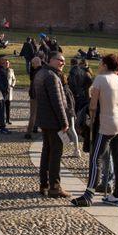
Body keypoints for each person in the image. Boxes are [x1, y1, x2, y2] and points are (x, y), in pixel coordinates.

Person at [72, 53, 118, 207]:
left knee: (95, 157)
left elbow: (93, 105)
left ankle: (88, 194)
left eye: (101, 63)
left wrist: (90, 119)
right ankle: (117, 194)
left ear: (105, 64)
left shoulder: (100, 79)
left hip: (106, 124)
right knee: (117, 157)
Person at [34, 52, 71, 198]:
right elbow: (58, 103)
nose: (62, 63)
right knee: (55, 155)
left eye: (64, 61)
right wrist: (64, 122)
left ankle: (44, 184)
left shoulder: (41, 73)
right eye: (60, 60)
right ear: (51, 60)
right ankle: (55, 187)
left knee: (46, 153)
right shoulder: (51, 76)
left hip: (45, 120)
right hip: (54, 122)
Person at [0, 56, 13, 134]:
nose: (5, 61)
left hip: (0, 91)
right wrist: (4, 89)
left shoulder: (0, 68)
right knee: (1, 109)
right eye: (4, 59)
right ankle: (2, 127)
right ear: (0, 60)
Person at [24, 56, 43, 139]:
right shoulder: (41, 71)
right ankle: (35, 128)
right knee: (38, 113)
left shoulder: (36, 72)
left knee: (33, 114)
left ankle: (29, 132)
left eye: (32, 64)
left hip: (35, 96)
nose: (31, 65)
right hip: (38, 95)